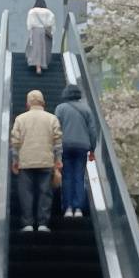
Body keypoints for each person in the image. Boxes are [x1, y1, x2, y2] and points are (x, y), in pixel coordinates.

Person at [10, 90, 62, 232]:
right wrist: (58, 160)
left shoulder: (20, 119)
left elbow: (15, 142)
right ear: (43, 102)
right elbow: (57, 142)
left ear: (28, 103)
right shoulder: (52, 118)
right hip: (46, 161)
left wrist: (15, 160)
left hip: (25, 162)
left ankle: (27, 223)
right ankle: (43, 223)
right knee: (45, 192)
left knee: (26, 193)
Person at [55, 84, 97, 219]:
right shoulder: (86, 109)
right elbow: (93, 131)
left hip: (65, 146)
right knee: (79, 177)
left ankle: (68, 208)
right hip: (82, 147)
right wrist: (92, 149)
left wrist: (55, 149)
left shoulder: (60, 108)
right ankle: (78, 208)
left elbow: (56, 130)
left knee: (67, 177)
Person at [26, 0, 55, 75]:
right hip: (45, 31)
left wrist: (31, 29)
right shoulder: (48, 12)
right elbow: (51, 23)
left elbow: (29, 24)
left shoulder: (32, 11)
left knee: (36, 48)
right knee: (44, 48)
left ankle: (37, 66)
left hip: (35, 30)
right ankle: (43, 64)